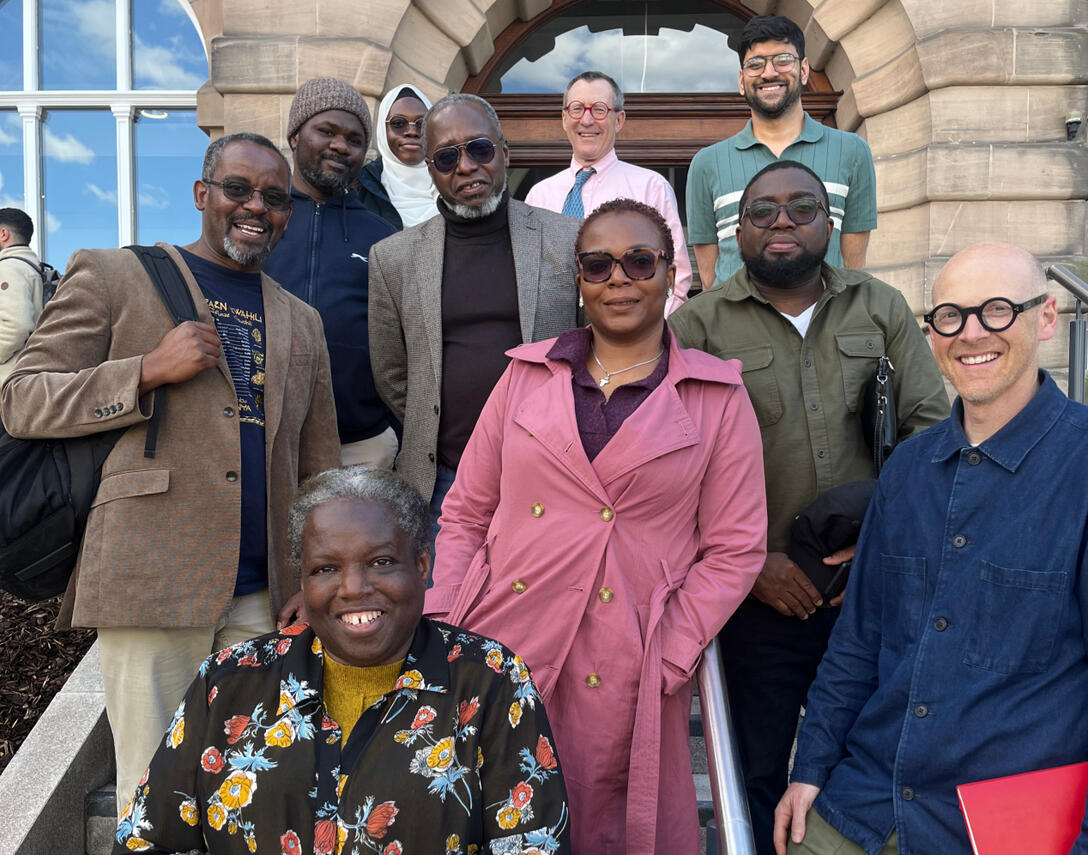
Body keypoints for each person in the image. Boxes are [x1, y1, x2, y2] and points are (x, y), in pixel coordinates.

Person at [0, 132, 341, 811]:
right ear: (201, 195)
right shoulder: (113, 274)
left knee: (255, 787)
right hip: (151, 576)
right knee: (156, 797)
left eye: (274, 198)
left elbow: (319, 465)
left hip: (262, 597)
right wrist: (146, 370)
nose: (256, 207)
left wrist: (314, 570)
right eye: (238, 189)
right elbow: (20, 398)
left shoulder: (302, 320)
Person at [425, 198, 768, 854]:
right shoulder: (525, 374)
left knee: (604, 824)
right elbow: (466, 509)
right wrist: (447, 613)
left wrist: (672, 648)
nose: (619, 277)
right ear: (578, 280)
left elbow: (735, 547)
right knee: (481, 813)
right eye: (598, 263)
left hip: (626, 655)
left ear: (672, 275)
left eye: (640, 261)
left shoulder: (716, 397)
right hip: (503, 635)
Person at [668, 160, 949, 855]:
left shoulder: (880, 308)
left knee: (876, 763)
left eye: (801, 207)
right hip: (756, 598)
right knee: (757, 772)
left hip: (869, 592)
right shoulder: (697, 324)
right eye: (763, 210)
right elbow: (670, 469)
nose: (783, 221)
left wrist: (881, 546)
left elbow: (931, 434)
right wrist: (748, 564)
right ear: (738, 230)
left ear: (831, 222)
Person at [774, 242, 1088, 855]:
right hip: (868, 796)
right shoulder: (908, 469)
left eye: (997, 310)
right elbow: (858, 640)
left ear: (1046, 317)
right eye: (950, 316)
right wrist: (810, 768)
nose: (971, 334)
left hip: (1010, 820)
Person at [113, 466, 571, 855]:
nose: (352, 588)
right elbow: (150, 840)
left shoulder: (491, 680)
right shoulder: (230, 681)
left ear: (424, 565)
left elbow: (532, 843)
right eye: (326, 569)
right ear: (303, 581)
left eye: (381, 562)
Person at [368, 93, 581, 541]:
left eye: (479, 149)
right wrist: (435, 422)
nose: (465, 167)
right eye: (446, 158)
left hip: (553, 473)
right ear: (431, 171)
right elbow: (391, 372)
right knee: (446, 609)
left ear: (503, 153)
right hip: (444, 480)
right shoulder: (394, 259)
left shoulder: (566, 238)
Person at [263, 77, 399, 469]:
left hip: (360, 446)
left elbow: (405, 343)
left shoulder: (383, 236)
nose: (341, 146)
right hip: (266, 441)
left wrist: (392, 429)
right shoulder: (259, 220)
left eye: (354, 139)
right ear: (294, 136)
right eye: (326, 131)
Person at [687, 15, 877, 288]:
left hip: (822, 325)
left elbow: (853, 272)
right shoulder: (706, 164)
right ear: (742, 81)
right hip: (736, 327)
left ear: (803, 71)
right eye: (755, 64)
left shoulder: (852, 152)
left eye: (783, 60)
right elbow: (709, 279)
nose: (768, 72)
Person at [525, 70, 689, 312]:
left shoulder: (651, 187)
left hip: (629, 336)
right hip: (552, 337)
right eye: (577, 108)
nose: (587, 120)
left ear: (619, 119)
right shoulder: (538, 195)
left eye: (599, 109)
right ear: (564, 118)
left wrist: (650, 337)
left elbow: (677, 278)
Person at [357, 83, 439, 229]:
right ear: (383, 130)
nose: (411, 131)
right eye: (399, 123)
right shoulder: (360, 187)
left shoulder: (454, 181)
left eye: (422, 124)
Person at [0, 207, 44, 389]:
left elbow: (15, 327)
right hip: (26, 380)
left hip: (7, 382)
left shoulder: (9, 268)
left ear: (3, 234)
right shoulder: (34, 269)